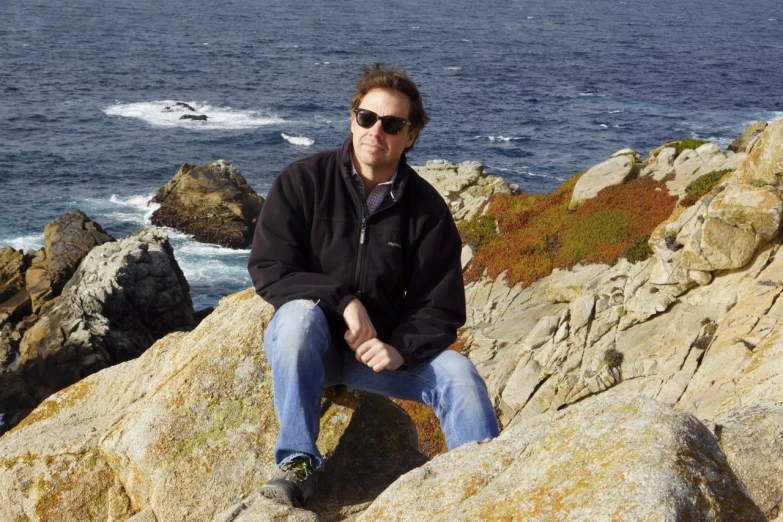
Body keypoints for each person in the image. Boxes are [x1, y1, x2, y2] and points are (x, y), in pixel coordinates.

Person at [247, 63, 499, 508]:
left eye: (392, 124)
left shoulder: (426, 210)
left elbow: (440, 306)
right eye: (367, 117)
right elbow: (270, 268)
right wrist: (343, 301)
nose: (375, 131)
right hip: (314, 351)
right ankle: (298, 463)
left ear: (411, 135)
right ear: (352, 117)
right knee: (298, 318)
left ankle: (486, 490)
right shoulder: (303, 182)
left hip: (379, 358)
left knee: (458, 374)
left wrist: (398, 347)